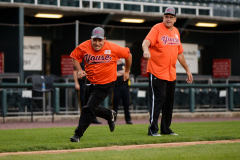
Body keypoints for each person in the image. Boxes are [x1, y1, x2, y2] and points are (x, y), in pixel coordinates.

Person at [70, 27, 132, 142]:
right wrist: (79, 70)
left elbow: (128, 55)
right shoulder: (84, 46)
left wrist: (127, 71)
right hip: (90, 81)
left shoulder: (113, 47)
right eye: (95, 40)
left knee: (88, 108)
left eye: (100, 40)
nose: (97, 43)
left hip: (106, 83)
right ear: (91, 39)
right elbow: (74, 57)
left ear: (104, 39)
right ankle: (109, 114)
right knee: (89, 107)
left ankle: (77, 135)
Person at [142, 7, 193, 136]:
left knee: (169, 101)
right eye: (166, 16)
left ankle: (165, 129)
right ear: (163, 18)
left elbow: (179, 53)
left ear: (175, 19)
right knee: (158, 99)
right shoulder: (157, 28)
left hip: (171, 73)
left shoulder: (176, 31)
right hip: (157, 71)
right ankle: (152, 129)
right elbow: (146, 42)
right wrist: (146, 50)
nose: (168, 18)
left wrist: (187, 69)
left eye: (171, 16)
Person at [112, 58, 132, 124]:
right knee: (115, 104)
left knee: (126, 103)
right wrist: (122, 72)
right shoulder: (113, 65)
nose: (120, 59)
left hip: (125, 86)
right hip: (117, 86)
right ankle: (113, 120)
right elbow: (114, 74)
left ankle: (128, 119)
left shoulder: (125, 65)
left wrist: (120, 72)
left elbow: (127, 73)